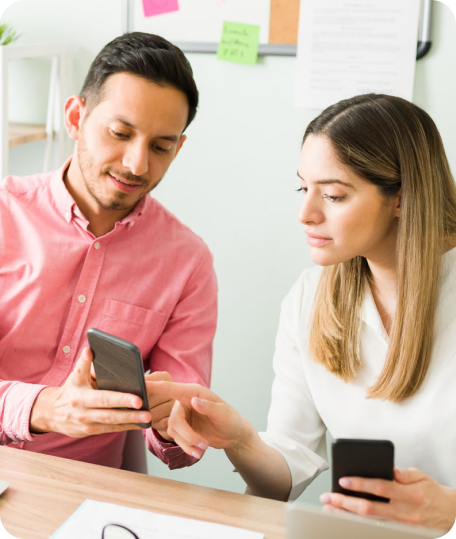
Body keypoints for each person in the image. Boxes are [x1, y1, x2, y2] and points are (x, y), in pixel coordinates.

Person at [146, 94, 456, 532]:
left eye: (332, 195)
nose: (305, 213)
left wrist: (449, 509)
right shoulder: (310, 299)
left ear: (402, 199)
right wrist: (240, 439)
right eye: (303, 188)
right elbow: (284, 475)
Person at [0, 32, 217, 470]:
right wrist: (44, 407)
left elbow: (179, 442)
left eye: (160, 147)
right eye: (120, 133)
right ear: (76, 117)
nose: (137, 165)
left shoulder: (187, 262)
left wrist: (173, 424)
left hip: (87, 494)